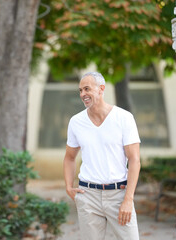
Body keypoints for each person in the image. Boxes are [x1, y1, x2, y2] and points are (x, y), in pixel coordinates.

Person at [63, 71, 141, 240]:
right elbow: (69, 157)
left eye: (87, 89)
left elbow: (134, 160)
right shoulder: (76, 122)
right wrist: (69, 187)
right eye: (80, 91)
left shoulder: (124, 118)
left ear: (101, 89)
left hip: (118, 195)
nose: (83, 94)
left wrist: (128, 199)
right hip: (88, 196)